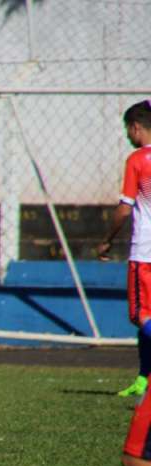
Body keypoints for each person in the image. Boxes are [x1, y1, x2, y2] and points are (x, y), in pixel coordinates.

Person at [99, 100, 151, 397]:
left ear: (136, 127)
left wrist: (107, 238)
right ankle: (144, 378)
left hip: (145, 252)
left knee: (139, 315)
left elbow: (124, 208)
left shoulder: (138, 160)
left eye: (127, 130)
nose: (128, 135)